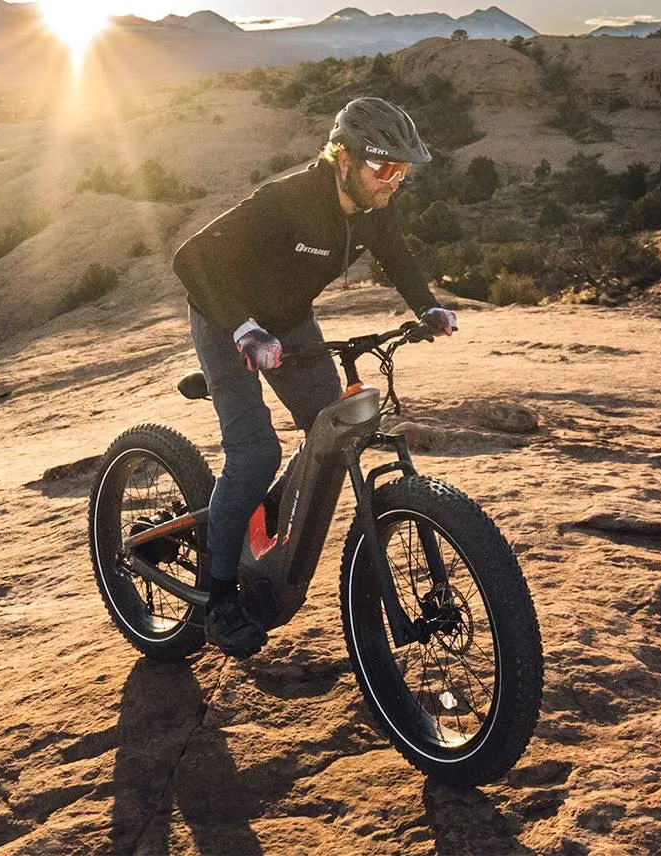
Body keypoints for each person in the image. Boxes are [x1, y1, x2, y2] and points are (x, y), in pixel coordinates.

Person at [172, 97, 458, 659]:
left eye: (402, 171)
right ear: (344, 158)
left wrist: (426, 306)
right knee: (255, 454)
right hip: (228, 318)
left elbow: (397, 255)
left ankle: (259, 516)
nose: (394, 181)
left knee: (335, 430)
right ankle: (218, 599)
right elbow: (191, 258)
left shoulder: (372, 209)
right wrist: (244, 330)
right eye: (383, 167)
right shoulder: (287, 200)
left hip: (290, 321)